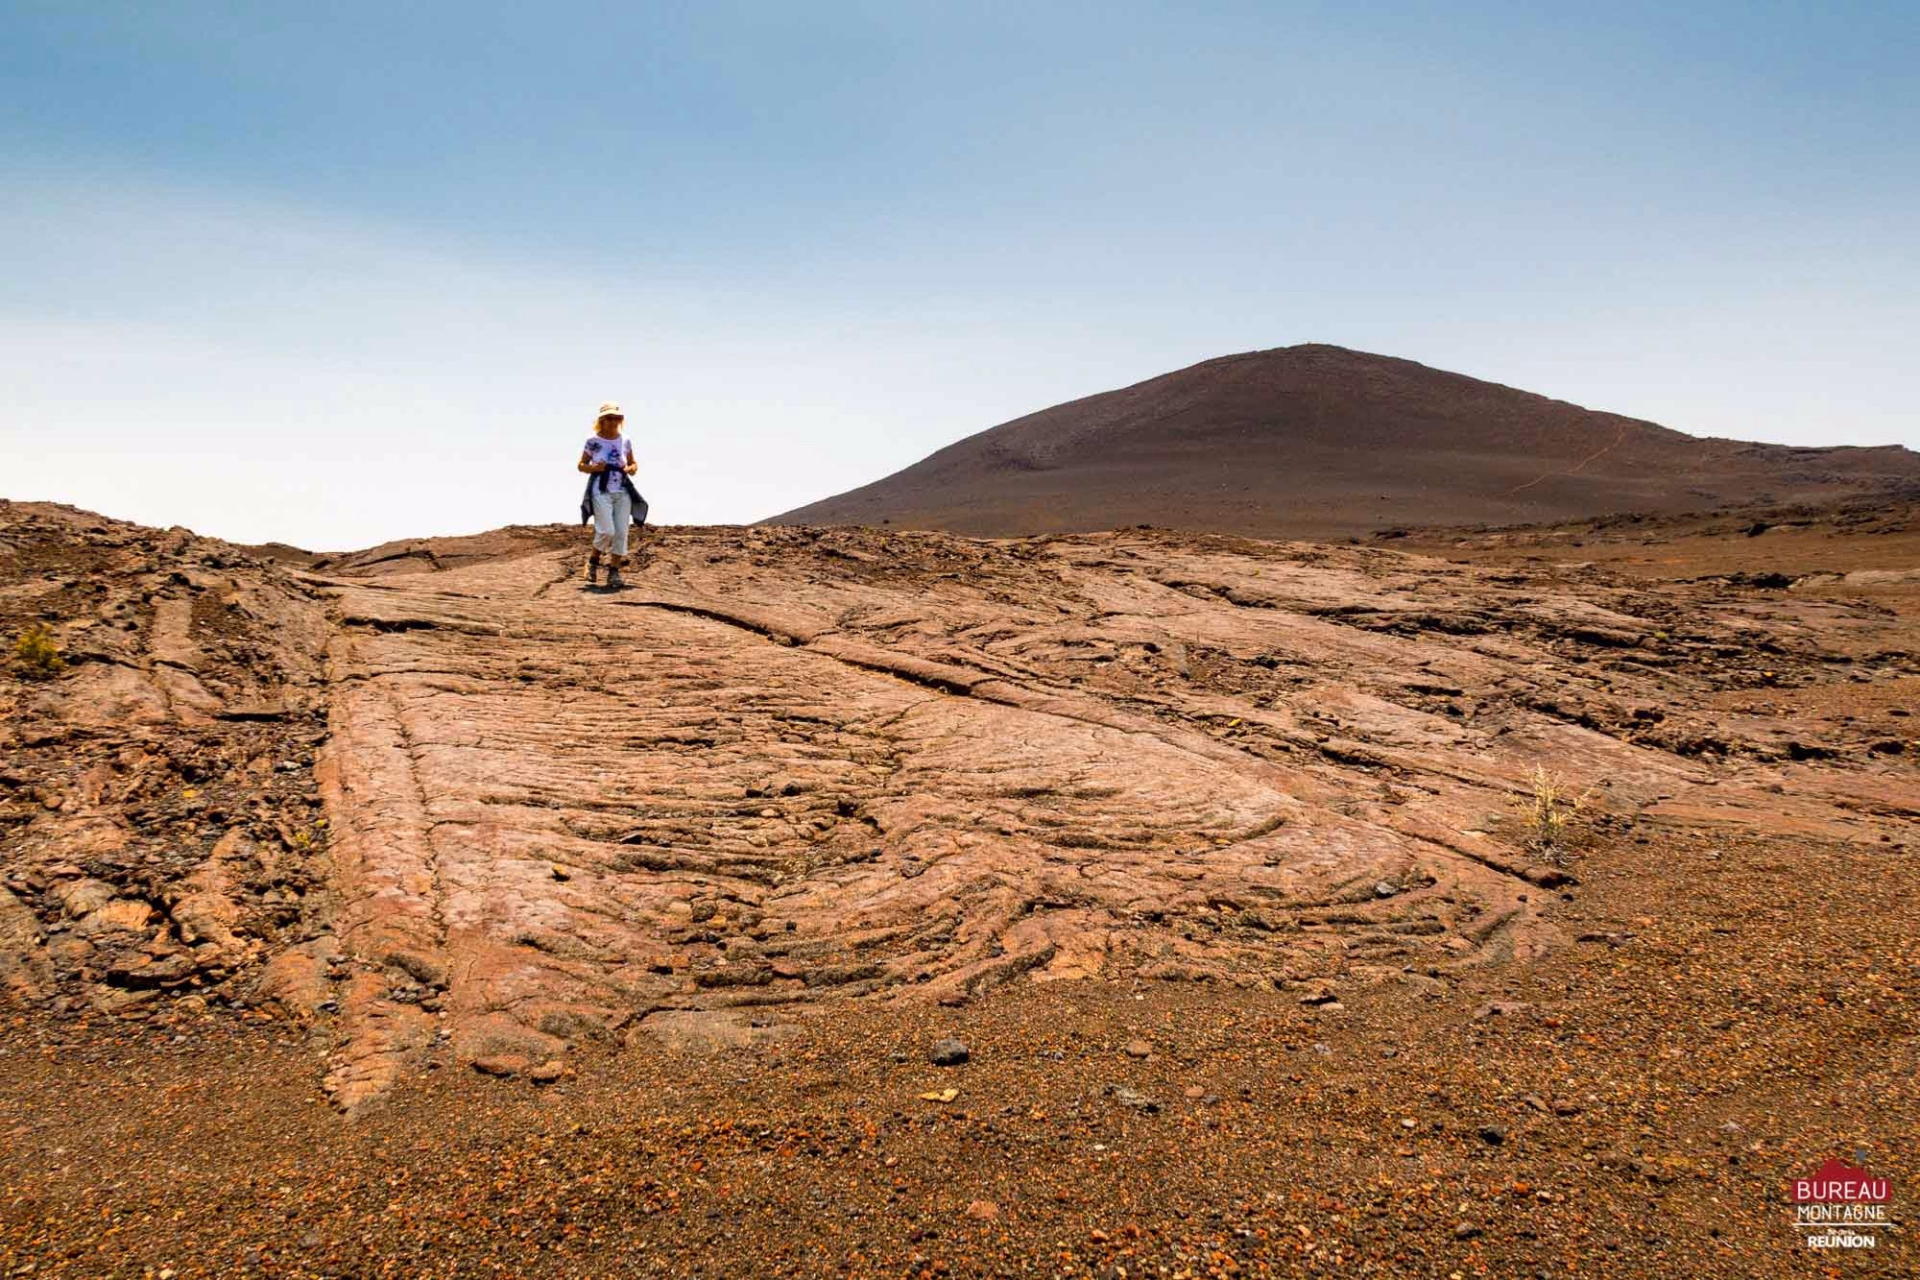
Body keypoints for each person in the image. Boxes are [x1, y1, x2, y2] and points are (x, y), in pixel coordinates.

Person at [577, 401, 647, 588]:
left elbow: (633, 463)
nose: (613, 421)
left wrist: (631, 469)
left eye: (617, 418)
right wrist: (594, 467)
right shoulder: (593, 441)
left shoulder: (625, 439)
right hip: (601, 490)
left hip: (622, 490)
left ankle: (614, 572)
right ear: (601, 420)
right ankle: (593, 562)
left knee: (621, 532)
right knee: (607, 530)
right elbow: (581, 465)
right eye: (609, 418)